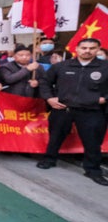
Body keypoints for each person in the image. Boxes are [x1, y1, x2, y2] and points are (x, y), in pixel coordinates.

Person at [37, 37, 108, 186]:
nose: (87, 51)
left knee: (93, 142)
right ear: (76, 49)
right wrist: (49, 98)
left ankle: (93, 170)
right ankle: (49, 159)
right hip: (63, 109)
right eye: (84, 48)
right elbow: (44, 82)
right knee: (55, 136)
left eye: (92, 48)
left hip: (92, 110)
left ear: (98, 49)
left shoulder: (105, 67)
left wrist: (104, 99)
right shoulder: (62, 66)